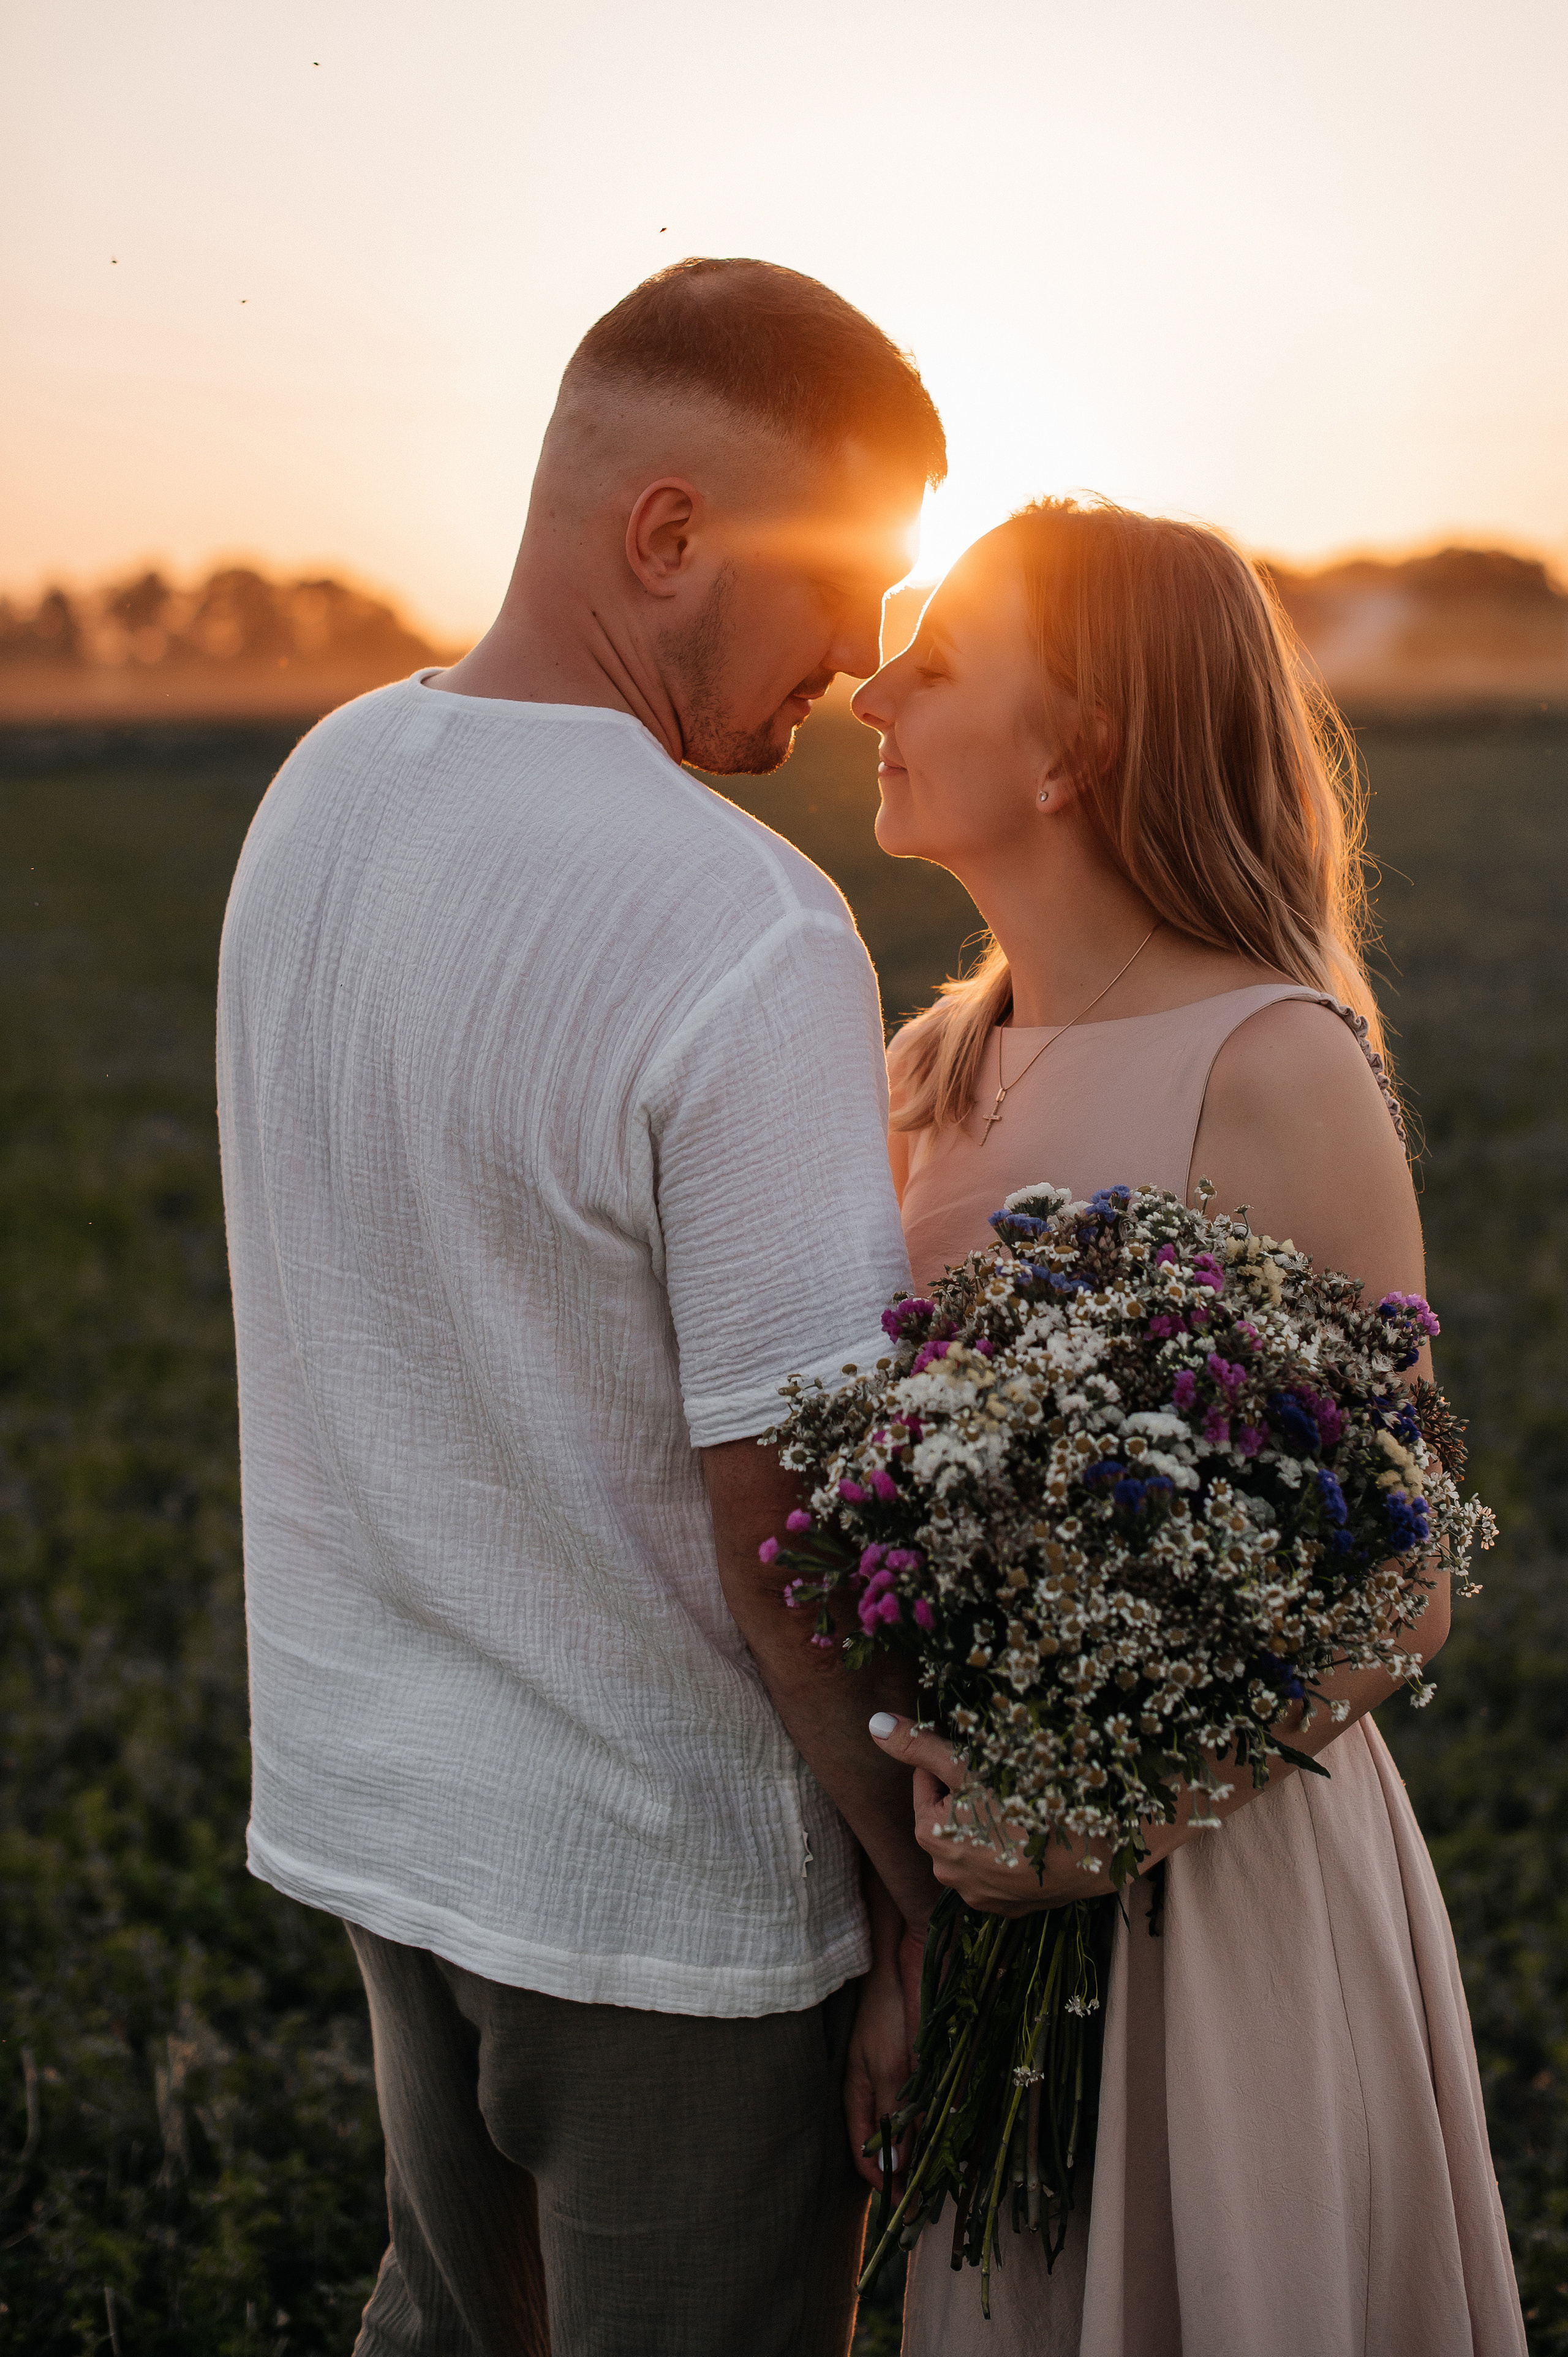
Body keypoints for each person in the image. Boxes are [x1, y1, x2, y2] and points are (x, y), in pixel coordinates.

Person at [216, 258, 946, 2357]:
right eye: (847, 584)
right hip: (659, 1899)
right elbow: (793, 1528)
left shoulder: (321, 793)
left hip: (384, 1816)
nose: (857, 659)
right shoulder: (740, 920)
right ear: (670, 533)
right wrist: (924, 1894)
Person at [845, 499, 1528, 2356]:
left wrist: (1117, 1823)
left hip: (1217, 1901)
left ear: (1079, 746)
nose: (864, 687)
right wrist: (920, 1911)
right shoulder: (924, 1075)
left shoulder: (1275, 1061)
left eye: (936, 660)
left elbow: (1404, 1587)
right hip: (980, 1881)